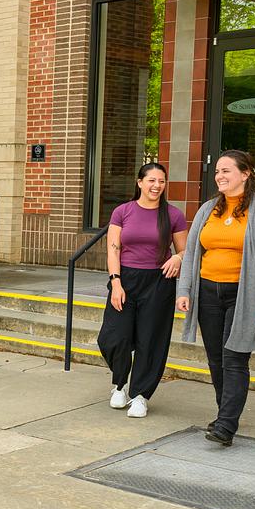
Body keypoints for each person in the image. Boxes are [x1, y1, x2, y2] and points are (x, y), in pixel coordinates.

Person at [176, 150, 255, 447]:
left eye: (226, 171)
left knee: (234, 358)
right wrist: (184, 290)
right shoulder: (208, 208)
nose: (220, 176)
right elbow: (191, 256)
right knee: (215, 358)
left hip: (244, 294)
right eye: (217, 172)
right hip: (208, 291)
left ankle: (225, 425)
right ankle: (226, 413)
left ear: (246, 173)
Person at [98, 162, 188, 418]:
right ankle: (120, 384)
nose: (156, 185)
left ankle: (140, 395)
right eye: (151, 180)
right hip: (125, 279)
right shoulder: (122, 211)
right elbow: (113, 249)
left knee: (151, 339)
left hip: (159, 282)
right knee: (114, 337)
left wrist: (178, 259)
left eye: (161, 181)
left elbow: (185, 249)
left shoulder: (173, 215)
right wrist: (116, 282)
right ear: (139, 183)